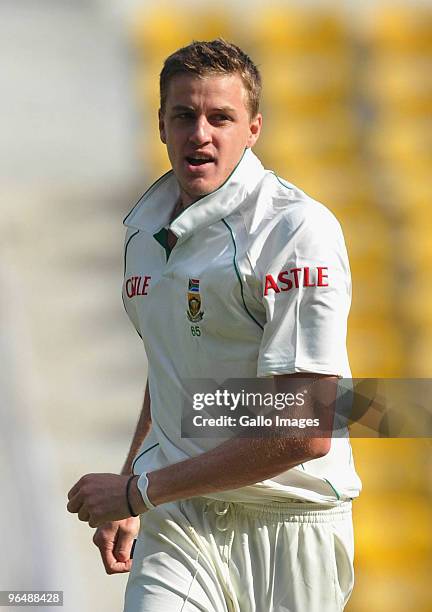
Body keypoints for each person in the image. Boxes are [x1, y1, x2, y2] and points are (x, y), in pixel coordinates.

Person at [67, 39, 362, 611]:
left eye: (220, 117)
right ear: (161, 125)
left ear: (253, 128)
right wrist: (137, 487)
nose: (200, 133)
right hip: (181, 522)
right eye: (184, 115)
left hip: (290, 524)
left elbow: (305, 429)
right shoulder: (142, 233)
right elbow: (172, 367)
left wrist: (137, 489)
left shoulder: (296, 231)